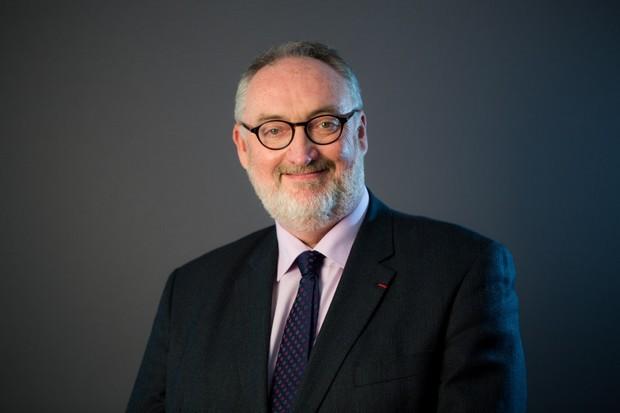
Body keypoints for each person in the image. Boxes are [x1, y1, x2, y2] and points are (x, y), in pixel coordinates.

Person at [127, 41, 526, 413]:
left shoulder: (462, 271)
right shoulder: (190, 291)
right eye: (273, 130)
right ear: (243, 147)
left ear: (360, 132)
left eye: (324, 123)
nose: (301, 154)